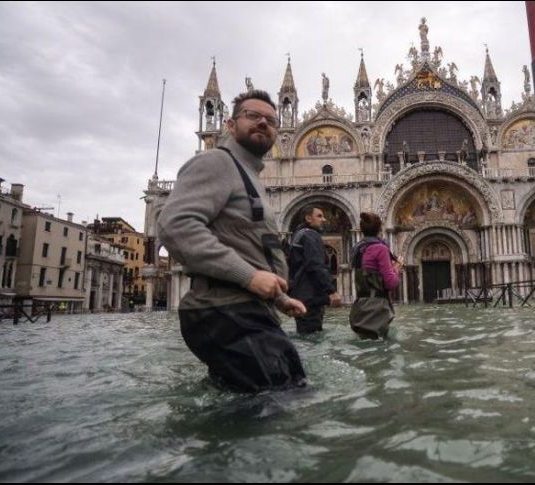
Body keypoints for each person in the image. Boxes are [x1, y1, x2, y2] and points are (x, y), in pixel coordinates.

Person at [157, 90, 308, 393]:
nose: (263, 123)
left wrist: (279, 298)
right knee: (279, 406)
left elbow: (251, 246)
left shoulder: (249, 175)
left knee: (266, 400)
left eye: (271, 120)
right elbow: (175, 225)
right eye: (252, 116)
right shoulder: (216, 162)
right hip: (227, 312)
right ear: (229, 124)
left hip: (243, 312)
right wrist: (250, 277)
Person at [287, 206, 343, 334]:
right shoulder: (310, 235)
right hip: (310, 298)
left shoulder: (298, 235)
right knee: (312, 337)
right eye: (319, 216)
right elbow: (315, 266)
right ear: (308, 218)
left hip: (300, 297)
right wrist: (331, 291)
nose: (324, 219)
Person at [349, 212, 402, 340]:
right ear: (380, 229)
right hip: (376, 309)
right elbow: (391, 283)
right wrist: (396, 269)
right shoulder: (380, 249)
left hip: (360, 307)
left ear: (362, 230)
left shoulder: (357, 249)